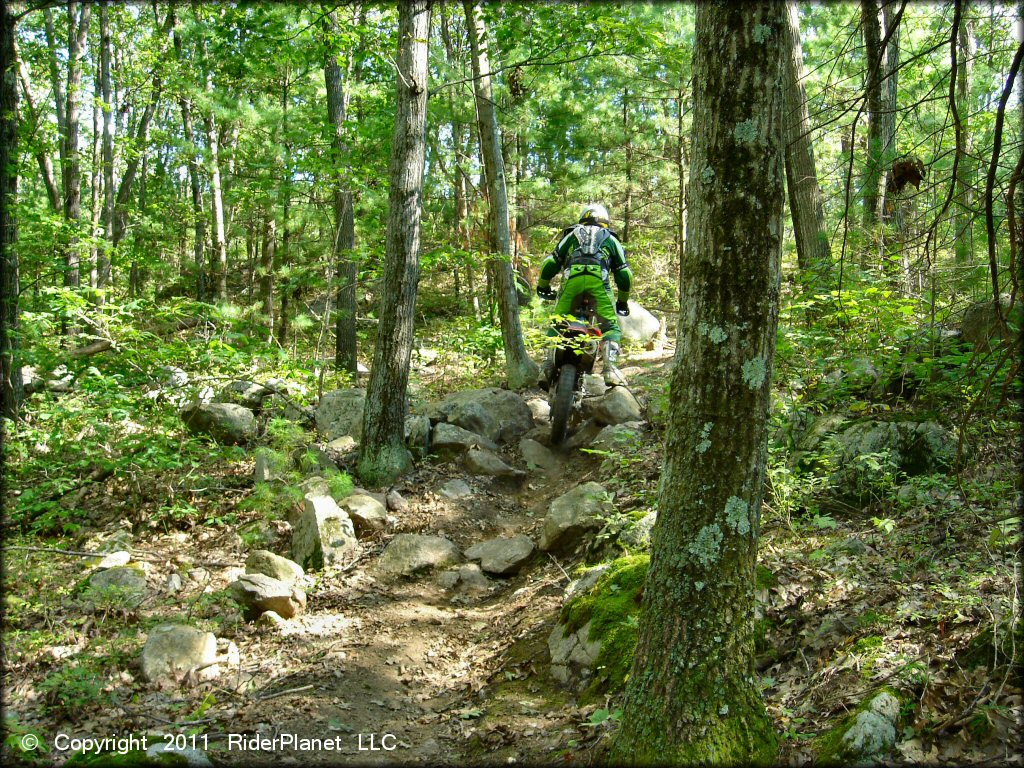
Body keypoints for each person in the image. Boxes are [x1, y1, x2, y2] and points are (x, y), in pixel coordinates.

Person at [536, 204, 633, 387]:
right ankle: (610, 369)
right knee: (610, 325)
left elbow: (551, 262)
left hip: (572, 281)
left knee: (558, 323)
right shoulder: (611, 239)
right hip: (598, 283)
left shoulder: (572, 235)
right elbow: (624, 274)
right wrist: (622, 301)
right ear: (605, 221)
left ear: (583, 218)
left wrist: (543, 286)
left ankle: (547, 366)